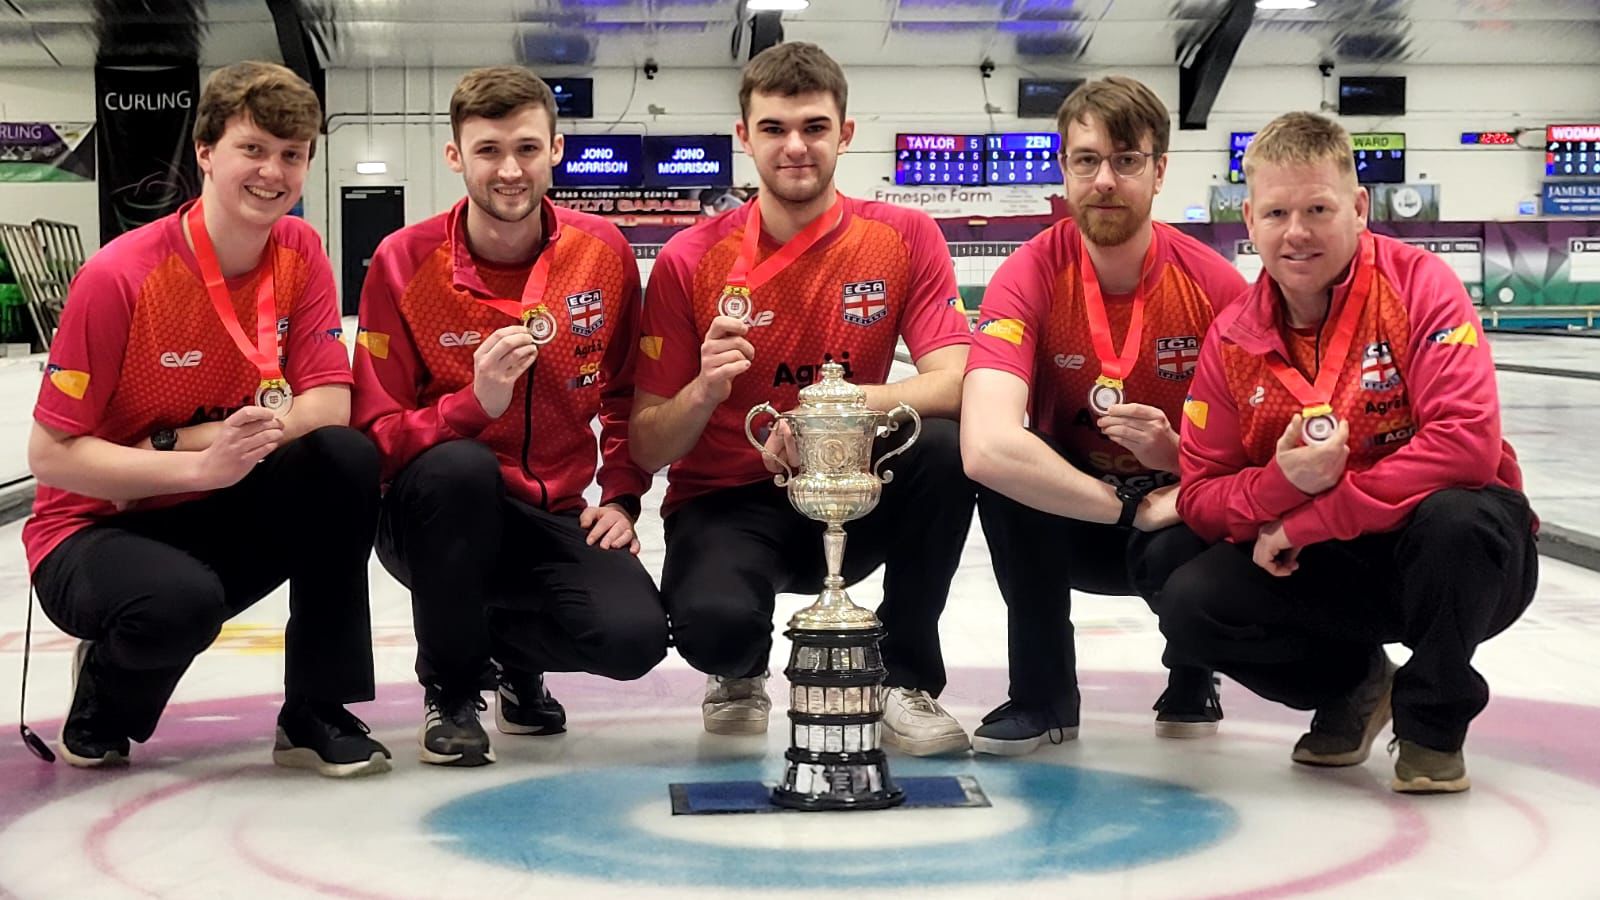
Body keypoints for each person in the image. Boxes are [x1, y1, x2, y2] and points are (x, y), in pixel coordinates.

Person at [24, 61, 389, 776]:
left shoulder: (301, 252)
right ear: (205, 153)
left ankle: (317, 706)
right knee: (180, 603)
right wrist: (193, 462)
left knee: (344, 460)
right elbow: (52, 454)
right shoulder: (119, 276)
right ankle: (103, 693)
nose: (272, 173)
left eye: (292, 155)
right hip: (97, 525)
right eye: (252, 149)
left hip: (216, 496)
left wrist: (206, 449)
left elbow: (328, 405)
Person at [1159, 111, 1537, 793]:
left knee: (1459, 517)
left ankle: (1432, 725)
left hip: (1455, 557)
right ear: (1249, 219)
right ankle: (1358, 683)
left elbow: (1466, 447)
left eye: (1317, 208)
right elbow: (1200, 493)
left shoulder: (1420, 286)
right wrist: (1279, 482)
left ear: (1359, 208)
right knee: (1188, 596)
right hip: (1335, 567)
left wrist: (1308, 518)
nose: (1296, 231)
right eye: (1276, 211)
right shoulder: (1231, 338)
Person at [630, 42, 975, 756]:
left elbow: (959, 380)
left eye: (814, 127)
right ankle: (738, 669)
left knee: (945, 451)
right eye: (774, 129)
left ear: (845, 134)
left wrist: (831, 416)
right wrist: (703, 389)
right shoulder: (689, 260)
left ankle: (905, 678)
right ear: (743, 135)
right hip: (727, 495)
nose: (795, 147)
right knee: (714, 630)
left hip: (855, 481)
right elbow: (646, 443)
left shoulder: (903, 237)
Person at [353, 66, 666, 767]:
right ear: (455, 156)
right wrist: (472, 407)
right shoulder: (403, 263)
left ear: (556, 150)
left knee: (635, 639)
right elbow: (374, 436)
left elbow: (624, 393)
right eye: (488, 149)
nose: (509, 169)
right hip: (433, 517)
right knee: (460, 469)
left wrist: (620, 494)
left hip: (554, 510)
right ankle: (454, 690)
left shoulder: (602, 253)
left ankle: (511, 660)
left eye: (527, 148)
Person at [960, 77, 1247, 755]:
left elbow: (1253, 456)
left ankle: (1192, 674)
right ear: (1064, 169)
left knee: (1204, 512)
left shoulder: (1214, 286)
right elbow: (985, 446)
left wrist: (1178, 460)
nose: (1105, 180)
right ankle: (1043, 695)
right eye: (1086, 160)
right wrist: (1122, 505)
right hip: (1078, 515)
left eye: (1126, 160)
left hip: (1176, 513)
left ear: (1159, 170)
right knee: (1004, 482)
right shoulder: (1028, 273)